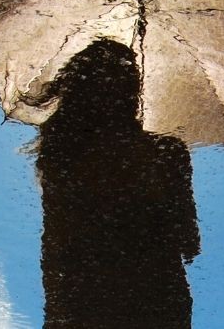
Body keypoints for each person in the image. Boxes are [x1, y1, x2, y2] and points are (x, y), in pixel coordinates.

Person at [36, 39, 200, 328]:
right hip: (154, 299)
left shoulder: (60, 154)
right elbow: (189, 243)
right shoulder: (166, 153)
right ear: (132, 91)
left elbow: (54, 247)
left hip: (80, 300)